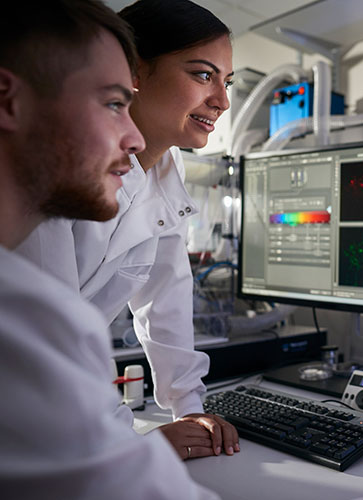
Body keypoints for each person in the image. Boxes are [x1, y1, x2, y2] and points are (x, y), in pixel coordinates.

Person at [0, 1, 217, 498]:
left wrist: (188, 406)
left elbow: (167, 292)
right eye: (115, 103)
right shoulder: (23, 313)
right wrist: (133, 441)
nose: (134, 137)